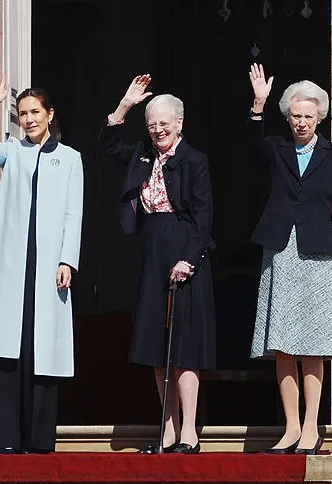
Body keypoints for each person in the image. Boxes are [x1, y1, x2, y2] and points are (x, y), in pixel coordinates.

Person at [0, 72, 83, 454]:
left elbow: (72, 215)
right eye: (22, 113)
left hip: (48, 270)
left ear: (49, 115)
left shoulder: (70, 159)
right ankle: (3, 440)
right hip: (11, 269)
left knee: (40, 351)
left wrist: (67, 260)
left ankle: (38, 441)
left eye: (34, 112)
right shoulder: (12, 150)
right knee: (5, 350)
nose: (28, 119)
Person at [99, 75, 216, 454]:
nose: (158, 129)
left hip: (185, 253)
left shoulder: (195, 160)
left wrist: (189, 260)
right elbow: (107, 144)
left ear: (180, 123)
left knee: (184, 348)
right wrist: (125, 105)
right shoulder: (143, 154)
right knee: (156, 346)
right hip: (152, 249)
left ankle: (190, 434)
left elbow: (204, 216)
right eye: (151, 124)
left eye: (164, 123)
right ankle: (166, 432)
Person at [247, 63, 332, 455]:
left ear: (320, 118)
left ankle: (311, 427)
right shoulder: (276, 149)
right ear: (287, 117)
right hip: (280, 250)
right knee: (283, 344)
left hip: (319, 253)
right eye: (296, 115)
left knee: (312, 341)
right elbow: (250, 150)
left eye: (309, 116)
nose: (302, 122)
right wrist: (257, 106)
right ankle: (290, 427)